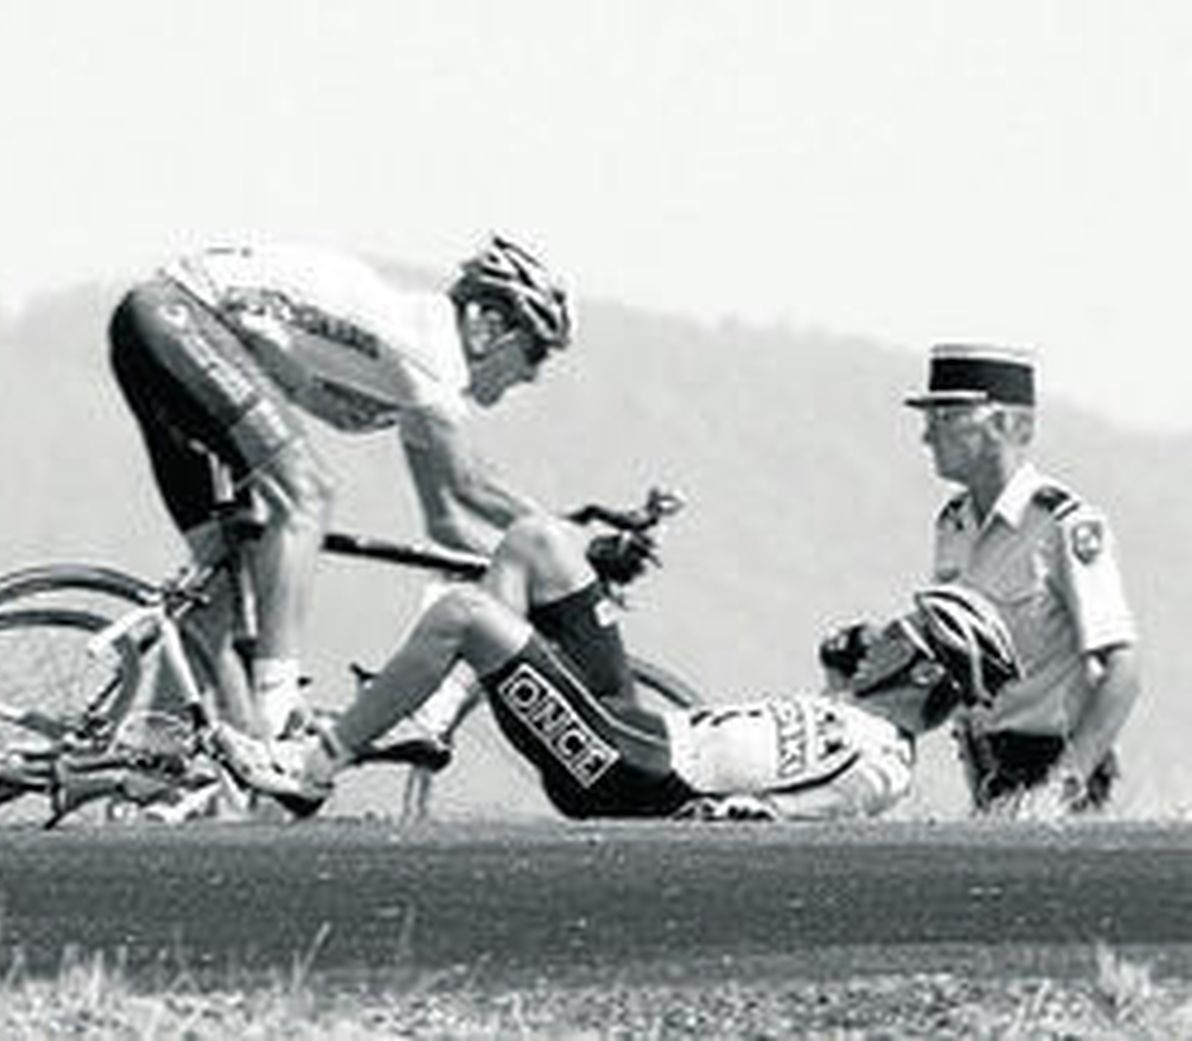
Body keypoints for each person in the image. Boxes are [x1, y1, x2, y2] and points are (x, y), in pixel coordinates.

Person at [213, 510, 1023, 822]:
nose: (882, 630)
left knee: (463, 613)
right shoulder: (859, 706)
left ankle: (313, 769)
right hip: (636, 726)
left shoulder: (884, 763)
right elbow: (822, 696)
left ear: (922, 674)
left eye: (903, 634)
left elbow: (801, 811)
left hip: (635, 773)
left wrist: (747, 819)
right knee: (537, 539)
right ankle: (431, 714)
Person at [108, 236, 570, 739]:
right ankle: (278, 701)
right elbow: (470, 486)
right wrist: (569, 552)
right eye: (534, 351)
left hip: (158, 325)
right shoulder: (431, 351)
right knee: (308, 494)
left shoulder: (419, 377)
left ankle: (154, 751)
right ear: (488, 326)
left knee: (220, 573)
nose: (534, 375)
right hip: (180, 317)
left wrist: (522, 573)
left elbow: (448, 520)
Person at [904, 342, 1142, 818]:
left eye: (947, 418)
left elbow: (1123, 673)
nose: (927, 437)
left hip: (1055, 767)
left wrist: (1061, 787)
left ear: (1004, 426)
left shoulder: (1063, 526)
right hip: (984, 766)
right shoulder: (952, 524)